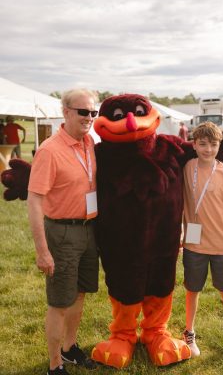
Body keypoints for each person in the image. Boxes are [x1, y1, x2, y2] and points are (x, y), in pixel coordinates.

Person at [27, 89, 99, 375]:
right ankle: (54, 364)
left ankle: (69, 349)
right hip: (62, 232)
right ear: (66, 112)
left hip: (88, 230)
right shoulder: (49, 150)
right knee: (59, 301)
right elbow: (35, 201)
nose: (89, 118)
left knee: (79, 294)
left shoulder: (90, 142)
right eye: (83, 112)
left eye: (93, 112)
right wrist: (42, 250)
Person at [182, 121, 223, 367]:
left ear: (219, 146)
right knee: (192, 291)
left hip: (222, 246)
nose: (208, 149)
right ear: (194, 145)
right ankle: (189, 333)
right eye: (203, 144)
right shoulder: (187, 168)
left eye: (213, 144)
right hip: (194, 245)